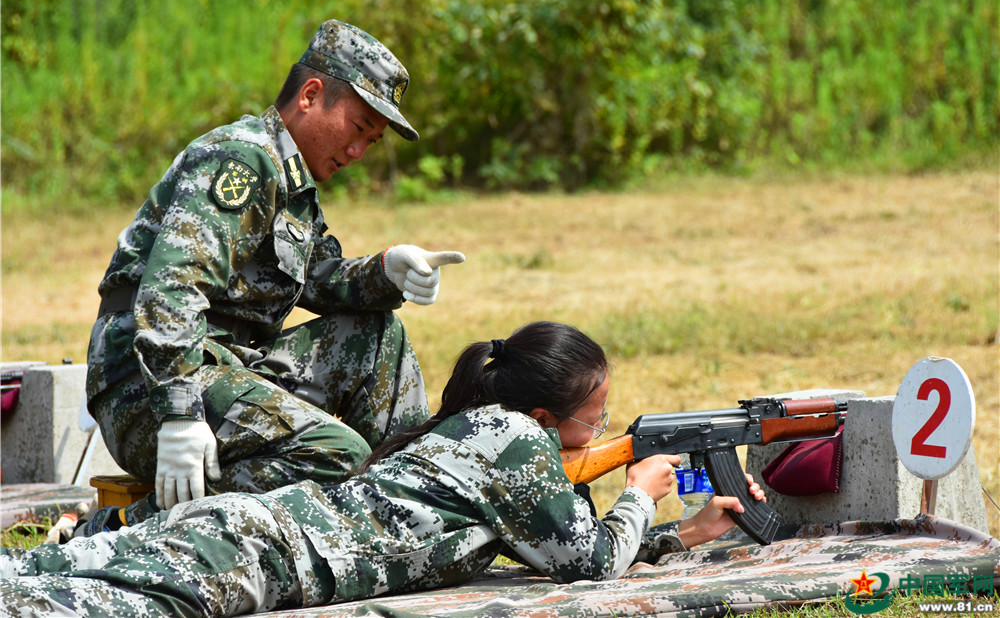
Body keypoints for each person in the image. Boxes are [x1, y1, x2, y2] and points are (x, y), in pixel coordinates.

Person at [2, 321, 766, 616]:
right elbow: (590, 561)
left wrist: (681, 536)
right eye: (594, 421)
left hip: (251, 533)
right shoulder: (518, 445)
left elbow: (549, 546)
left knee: (34, 574)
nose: (598, 431)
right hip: (253, 557)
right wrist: (637, 495)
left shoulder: (477, 429)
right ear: (544, 422)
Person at [79, 18, 465, 532]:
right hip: (148, 386)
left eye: (370, 143)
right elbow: (174, 286)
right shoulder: (242, 159)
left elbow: (317, 277)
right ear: (310, 95)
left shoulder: (293, 182)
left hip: (233, 369)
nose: (356, 154)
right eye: (357, 130)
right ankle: (124, 529)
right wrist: (178, 411)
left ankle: (414, 506)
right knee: (337, 454)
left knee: (377, 335)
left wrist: (385, 271)